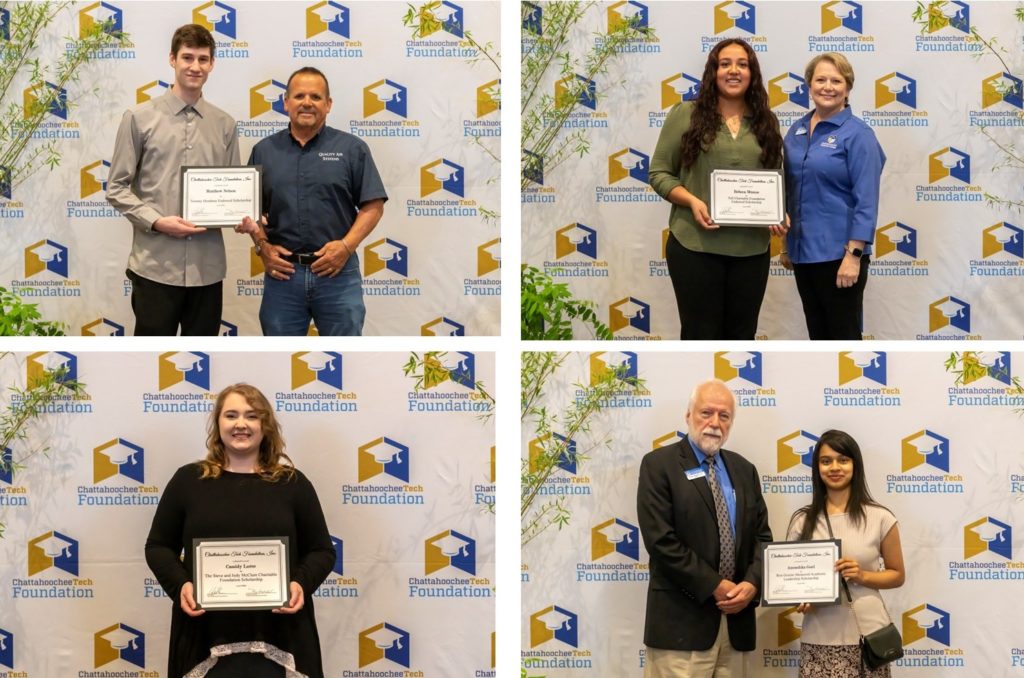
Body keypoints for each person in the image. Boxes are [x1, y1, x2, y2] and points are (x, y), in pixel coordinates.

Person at [145, 384, 335, 677]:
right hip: (205, 634)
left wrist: (300, 584)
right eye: (231, 415)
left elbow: (321, 550)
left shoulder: (293, 484)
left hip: (281, 634)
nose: (241, 424)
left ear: (265, 425)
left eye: (252, 416)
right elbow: (158, 546)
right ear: (218, 423)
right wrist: (182, 585)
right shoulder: (188, 481)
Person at [107, 24, 241, 336]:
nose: (195, 66)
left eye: (203, 59)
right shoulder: (139, 118)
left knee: (203, 359)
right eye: (188, 57)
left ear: (212, 64)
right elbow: (116, 187)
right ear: (172, 59)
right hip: (154, 266)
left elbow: (234, 188)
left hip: (206, 271)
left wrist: (242, 214)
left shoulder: (225, 124)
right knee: (151, 361)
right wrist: (156, 221)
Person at [649, 38, 787, 340]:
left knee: (742, 337)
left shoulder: (768, 122)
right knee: (700, 336)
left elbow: (775, 178)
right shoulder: (685, 114)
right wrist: (692, 201)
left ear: (753, 73)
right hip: (695, 248)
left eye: (742, 64)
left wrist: (779, 211)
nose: (733, 71)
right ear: (713, 71)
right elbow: (659, 173)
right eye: (725, 64)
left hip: (751, 251)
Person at [637, 379, 772, 677]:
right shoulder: (659, 465)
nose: (714, 423)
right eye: (706, 413)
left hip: (736, 626)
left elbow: (763, 539)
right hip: (680, 628)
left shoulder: (744, 470)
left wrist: (751, 584)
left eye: (724, 416)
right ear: (688, 416)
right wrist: (715, 585)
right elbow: (661, 541)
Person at [240, 66, 387, 336]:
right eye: (299, 96)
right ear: (286, 103)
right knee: (280, 358)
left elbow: (373, 205)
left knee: (345, 355)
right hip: (283, 276)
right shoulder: (264, 151)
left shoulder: (352, 149)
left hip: (337, 274)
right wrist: (263, 247)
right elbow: (249, 211)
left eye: (316, 97)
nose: (307, 103)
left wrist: (345, 246)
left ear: (328, 104)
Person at [780, 53, 886, 340]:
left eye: (836, 81)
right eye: (821, 80)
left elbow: (867, 200)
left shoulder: (859, 135)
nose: (828, 86)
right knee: (818, 338)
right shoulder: (796, 130)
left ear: (848, 88)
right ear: (809, 86)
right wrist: (786, 245)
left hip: (840, 257)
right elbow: (789, 191)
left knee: (842, 342)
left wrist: (854, 255)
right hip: (803, 255)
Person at [786, 430, 905, 678]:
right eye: (826, 461)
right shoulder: (802, 520)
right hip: (819, 638)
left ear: (855, 464)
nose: (834, 467)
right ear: (817, 467)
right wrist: (800, 598)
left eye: (843, 460)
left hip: (869, 638)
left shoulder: (880, 517)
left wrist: (862, 575)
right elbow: (790, 581)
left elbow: (897, 575)